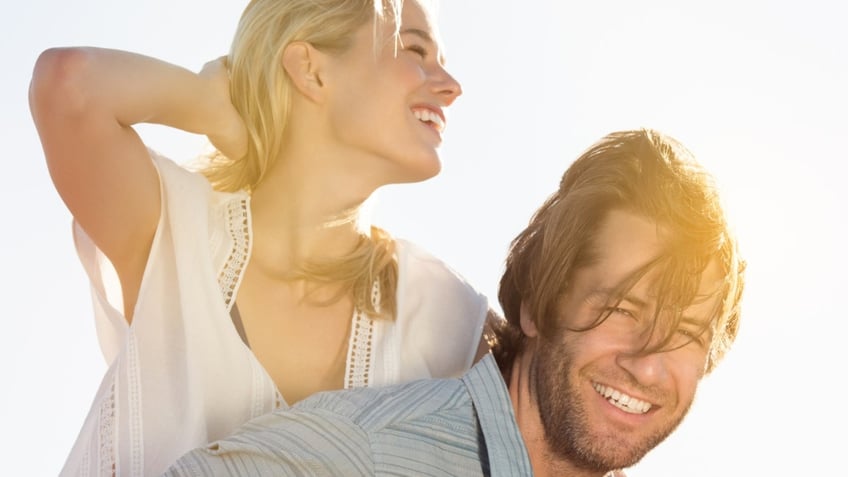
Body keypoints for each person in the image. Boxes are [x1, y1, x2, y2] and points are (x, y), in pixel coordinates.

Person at [29, 1, 492, 476]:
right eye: (415, 48)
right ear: (310, 71)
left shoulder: (446, 313)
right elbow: (69, 84)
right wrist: (207, 105)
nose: (451, 86)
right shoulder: (176, 232)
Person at [162, 128, 746, 477]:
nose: (648, 363)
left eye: (687, 332)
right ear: (538, 306)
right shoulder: (371, 453)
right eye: (621, 309)